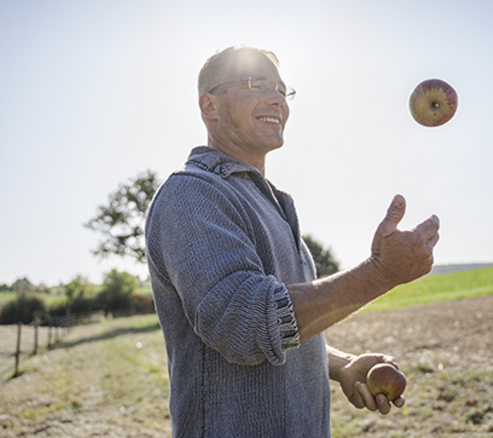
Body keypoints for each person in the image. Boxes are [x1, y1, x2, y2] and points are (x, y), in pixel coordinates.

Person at [145, 46, 440, 438]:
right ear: (209, 105)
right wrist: (381, 273)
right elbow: (246, 324)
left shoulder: (270, 203)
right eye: (257, 84)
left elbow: (278, 324)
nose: (276, 99)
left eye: (282, 90)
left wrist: (339, 363)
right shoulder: (192, 195)